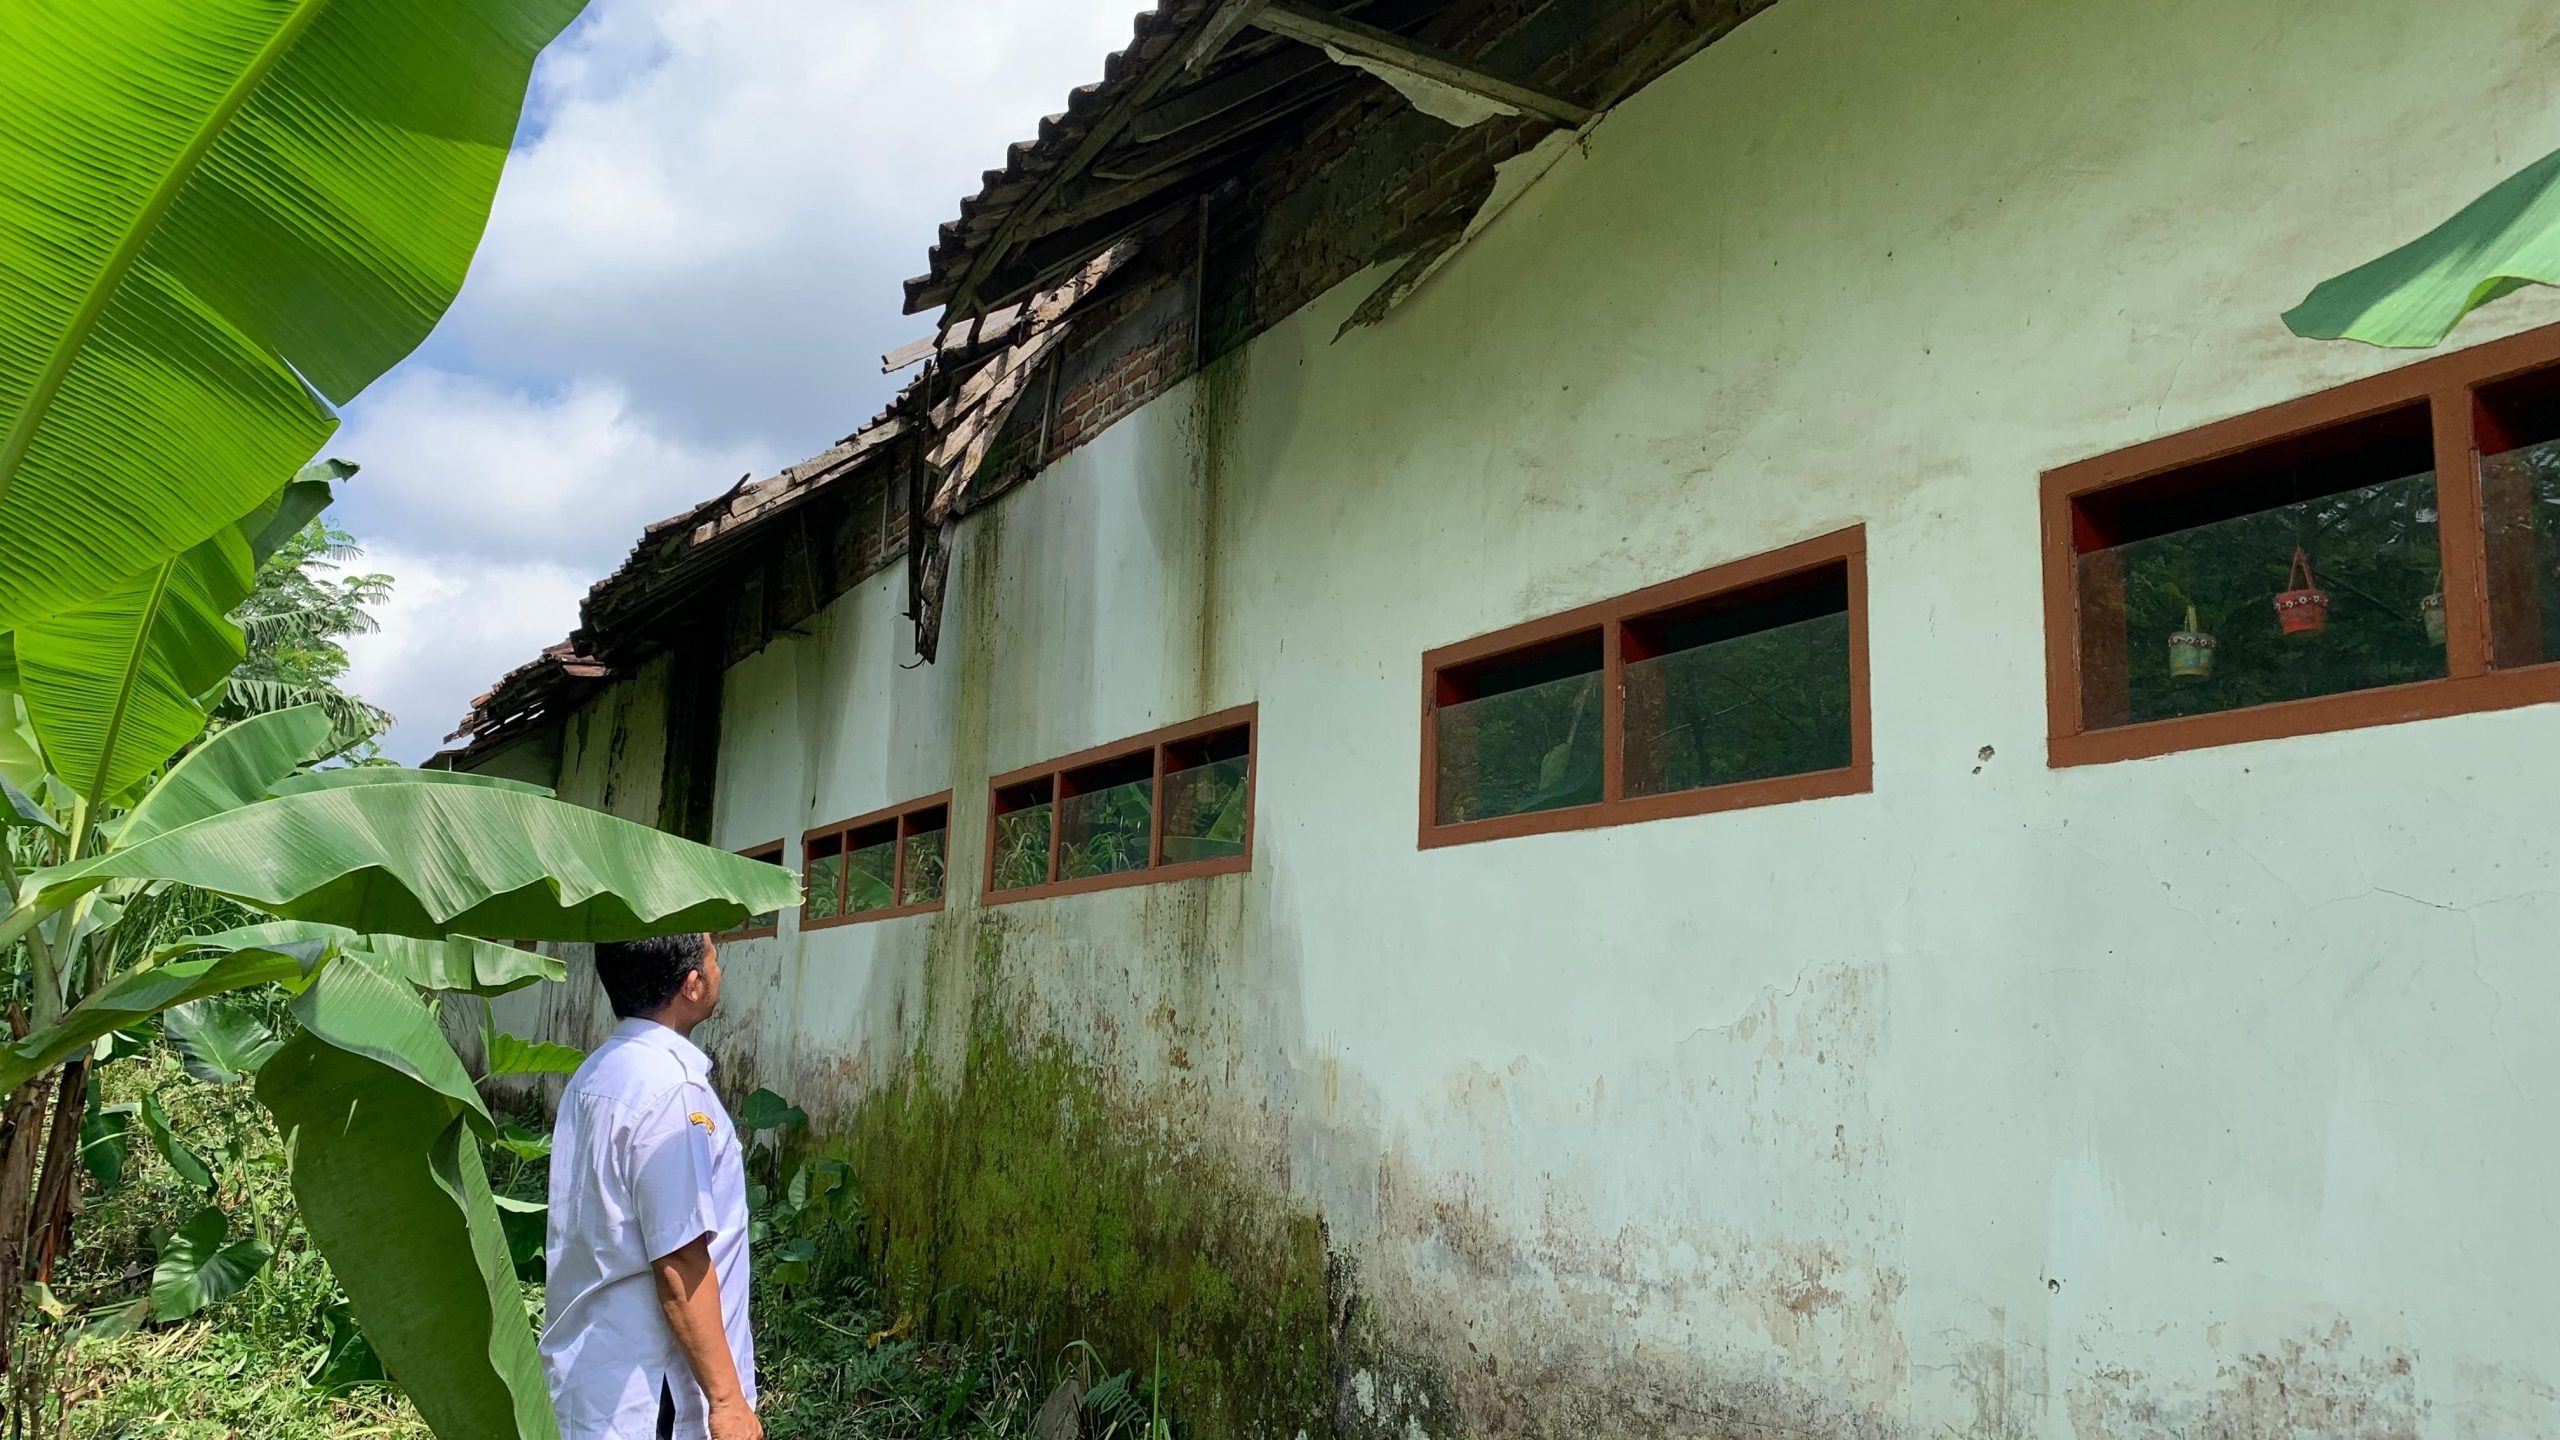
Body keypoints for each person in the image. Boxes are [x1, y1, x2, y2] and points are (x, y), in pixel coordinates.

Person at [541, 933, 761, 1440]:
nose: (718, 962)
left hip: (594, 1377)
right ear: (692, 984)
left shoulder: (595, 1073)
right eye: (713, 952)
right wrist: (727, 1402)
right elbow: (679, 1259)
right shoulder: (671, 1089)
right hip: (652, 1395)